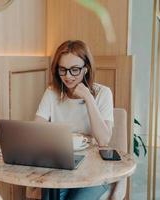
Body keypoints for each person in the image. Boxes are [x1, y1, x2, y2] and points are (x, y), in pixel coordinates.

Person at [35, 40, 114, 200]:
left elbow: (104, 139)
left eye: (75, 70)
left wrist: (88, 98)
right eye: (62, 70)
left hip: (95, 168)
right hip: (60, 166)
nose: (68, 76)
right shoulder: (52, 93)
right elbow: (36, 131)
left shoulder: (103, 93)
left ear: (86, 69)